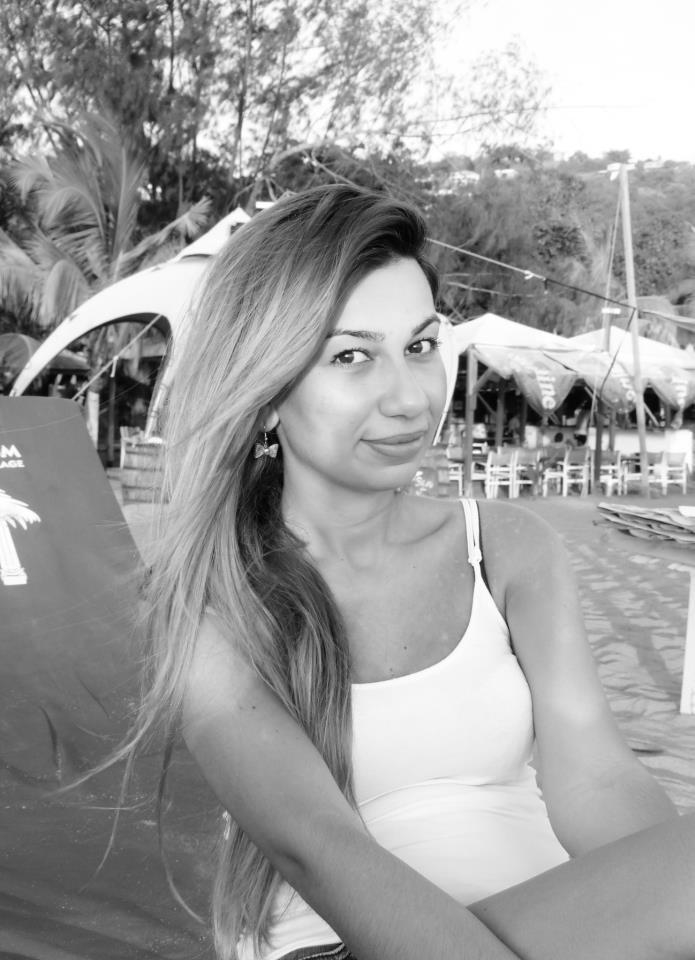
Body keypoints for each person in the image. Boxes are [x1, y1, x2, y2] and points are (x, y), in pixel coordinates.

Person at [118, 184, 695, 960]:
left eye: (419, 347)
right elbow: (313, 845)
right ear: (264, 394)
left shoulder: (505, 548)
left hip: (563, 922)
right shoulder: (215, 594)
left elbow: (596, 779)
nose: (409, 399)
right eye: (351, 357)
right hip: (345, 938)